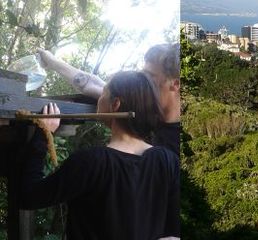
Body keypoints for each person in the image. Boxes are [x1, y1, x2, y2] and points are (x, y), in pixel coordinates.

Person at [20, 71, 180, 239]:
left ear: (115, 104)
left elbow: (29, 196)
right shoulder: (168, 161)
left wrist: (42, 133)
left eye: (104, 93)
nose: (99, 99)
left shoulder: (91, 162)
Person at [36, 43, 181, 155]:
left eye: (150, 76)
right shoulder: (137, 105)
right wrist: (52, 62)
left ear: (175, 84)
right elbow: (94, 85)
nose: (142, 81)